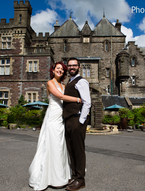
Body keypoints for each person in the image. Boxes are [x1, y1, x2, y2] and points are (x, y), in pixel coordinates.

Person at [28, 62, 81, 191]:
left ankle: (61, 177)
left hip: (61, 118)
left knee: (60, 146)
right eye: (58, 68)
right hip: (52, 117)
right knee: (52, 145)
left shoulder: (64, 85)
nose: (60, 71)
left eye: (62, 69)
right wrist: (78, 100)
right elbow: (61, 96)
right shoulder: (50, 83)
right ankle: (49, 178)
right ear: (53, 70)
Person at [63, 57, 91, 191]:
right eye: (69, 66)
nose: (71, 67)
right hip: (69, 119)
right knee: (71, 149)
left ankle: (81, 179)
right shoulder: (70, 81)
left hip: (76, 119)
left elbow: (87, 102)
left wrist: (80, 121)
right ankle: (75, 176)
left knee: (78, 150)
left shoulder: (82, 81)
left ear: (79, 67)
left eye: (74, 65)